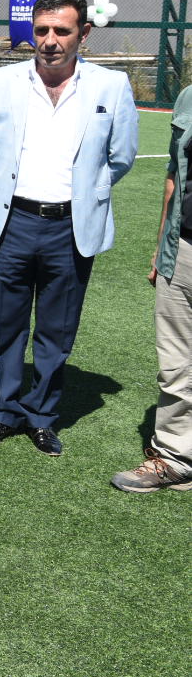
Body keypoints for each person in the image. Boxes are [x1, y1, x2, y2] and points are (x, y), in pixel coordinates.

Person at [0, 0, 137, 456]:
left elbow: (121, 156)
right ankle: (2, 412)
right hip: (13, 222)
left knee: (57, 330)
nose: (50, 40)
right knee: (5, 325)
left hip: (70, 227)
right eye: (41, 30)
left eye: (62, 31)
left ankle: (42, 416)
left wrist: (82, 195)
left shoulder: (111, 86)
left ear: (83, 33)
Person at [115, 80, 192, 490]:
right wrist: (163, 246)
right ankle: (176, 457)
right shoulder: (189, 97)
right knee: (177, 363)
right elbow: (174, 175)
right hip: (184, 249)